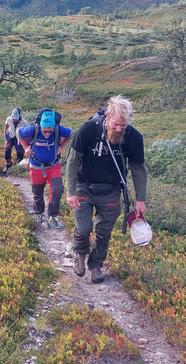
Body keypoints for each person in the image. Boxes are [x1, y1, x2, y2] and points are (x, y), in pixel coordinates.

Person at [65, 95, 147, 284]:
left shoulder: (134, 138)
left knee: (103, 232)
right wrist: (71, 192)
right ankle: (80, 255)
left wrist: (140, 199)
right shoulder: (88, 129)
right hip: (84, 186)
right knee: (84, 228)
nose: (119, 129)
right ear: (108, 115)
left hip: (111, 191)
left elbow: (138, 170)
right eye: (116, 124)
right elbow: (73, 161)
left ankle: (96, 265)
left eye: (123, 126)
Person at [18, 110, 73, 229]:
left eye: (50, 131)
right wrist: (25, 147)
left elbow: (70, 133)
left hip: (53, 166)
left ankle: (52, 216)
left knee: (58, 190)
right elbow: (19, 132)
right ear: (41, 127)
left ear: (54, 127)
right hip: (36, 166)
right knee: (37, 192)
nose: (47, 134)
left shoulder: (58, 129)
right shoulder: (34, 129)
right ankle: (38, 213)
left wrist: (61, 147)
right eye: (45, 131)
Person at [3, 108, 30, 173]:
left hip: (19, 137)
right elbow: (6, 125)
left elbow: (27, 131)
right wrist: (4, 132)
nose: (15, 119)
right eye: (14, 118)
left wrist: (26, 141)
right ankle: (8, 165)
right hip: (10, 134)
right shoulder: (9, 119)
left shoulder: (24, 122)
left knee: (20, 151)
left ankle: (19, 166)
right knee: (7, 149)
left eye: (16, 118)